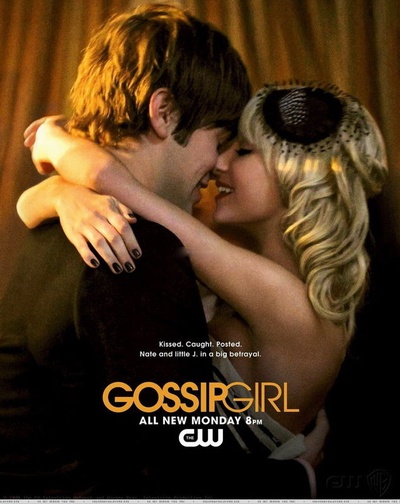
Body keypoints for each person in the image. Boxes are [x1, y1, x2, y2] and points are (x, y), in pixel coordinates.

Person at [0, 3, 324, 500]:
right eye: (220, 139)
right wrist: (300, 478)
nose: (219, 166)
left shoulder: (63, 223)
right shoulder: (134, 249)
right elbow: (174, 471)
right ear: (164, 112)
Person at [19, 80, 388, 462]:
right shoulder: (239, 265)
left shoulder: (293, 305)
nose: (219, 163)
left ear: (295, 176)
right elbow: (29, 207)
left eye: (242, 151)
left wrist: (54, 143)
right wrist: (62, 195)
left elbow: (109, 181)